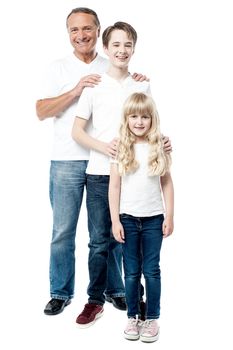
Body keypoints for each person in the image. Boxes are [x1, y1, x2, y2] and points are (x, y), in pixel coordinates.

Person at [36, 7, 152, 316]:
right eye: (74, 30)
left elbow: (130, 95)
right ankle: (60, 292)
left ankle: (113, 290)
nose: (81, 35)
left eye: (87, 28)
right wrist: (76, 90)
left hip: (108, 165)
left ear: (98, 31)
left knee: (108, 233)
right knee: (63, 231)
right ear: (68, 34)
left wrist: (139, 80)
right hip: (66, 161)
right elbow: (41, 111)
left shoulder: (110, 63)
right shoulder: (57, 68)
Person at [72, 21, 171, 328]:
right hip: (102, 173)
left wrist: (164, 141)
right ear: (105, 48)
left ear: (133, 48)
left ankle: (125, 295)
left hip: (137, 176)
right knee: (100, 240)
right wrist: (106, 147)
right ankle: (94, 300)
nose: (121, 50)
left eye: (127, 45)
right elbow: (77, 131)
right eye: (115, 45)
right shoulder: (94, 84)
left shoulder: (141, 85)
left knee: (125, 240)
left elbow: (150, 124)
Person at [108, 92, 174, 343]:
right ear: (126, 119)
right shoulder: (120, 148)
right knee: (132, 272)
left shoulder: (159, 146)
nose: (139, 121)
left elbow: (167, 183)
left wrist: (170, 216)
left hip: (153, 220)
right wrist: (115, 220)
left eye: (144, 117)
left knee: (152, 270)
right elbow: (114, 187)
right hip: (127, 219)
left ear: (152, 119)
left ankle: (152, 318)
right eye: (134, 116)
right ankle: (133, 316)